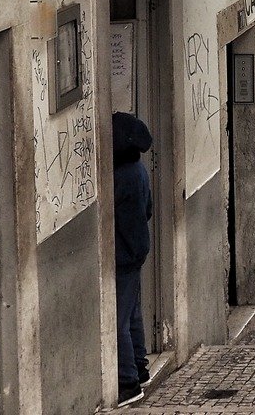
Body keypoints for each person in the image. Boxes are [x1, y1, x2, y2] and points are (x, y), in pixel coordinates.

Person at [112, 111, 153, 407]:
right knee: (134, 313)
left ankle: (128, 382)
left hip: (122, 255)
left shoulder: (118, 178)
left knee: (118, 322)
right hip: (137, 249)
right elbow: (148, 210)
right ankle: (140, 366)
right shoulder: (139, 171)